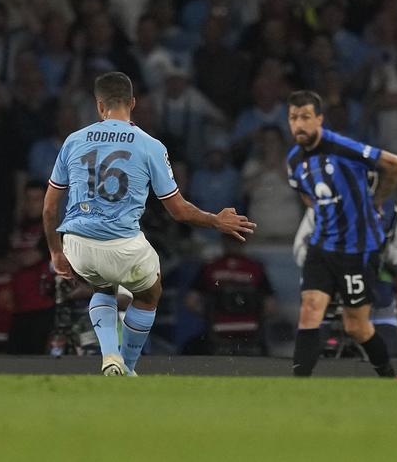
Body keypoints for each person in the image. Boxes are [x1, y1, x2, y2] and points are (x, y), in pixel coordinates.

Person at [43, 72, 255, 376]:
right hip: (124, 245)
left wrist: (55, 252)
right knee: (149, 293)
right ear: (132, 103)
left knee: (102, 287)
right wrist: (214, 220)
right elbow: (179, 211)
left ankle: (109, 356)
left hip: (77, 242)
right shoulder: (149, 145)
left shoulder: (73, 140)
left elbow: (50, 207)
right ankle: (127, 366)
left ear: (98, 105)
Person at [285, 90, 397, 377]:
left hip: (358, 249)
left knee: (357, 326)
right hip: (322, 246)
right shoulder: (294, 160)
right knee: (310, 310)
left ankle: (389, 375)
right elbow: (305, 194)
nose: (299, 124)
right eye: (293, 118)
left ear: (319, 119)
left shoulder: (341, 147)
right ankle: (297, 386)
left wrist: (376, 200)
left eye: (305, 117)